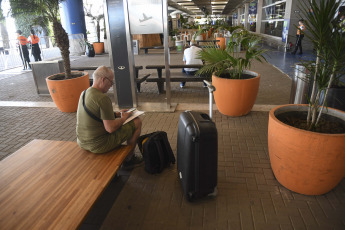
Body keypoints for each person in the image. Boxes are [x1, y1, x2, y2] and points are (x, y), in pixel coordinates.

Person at [76, 66, 143, 170]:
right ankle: (129, 159)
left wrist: (117, 114)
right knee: (137, 122)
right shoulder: (103, 98)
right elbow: (110, 128)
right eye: (111, 82)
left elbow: (96, 114)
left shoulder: (84, 93)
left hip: (82, 141)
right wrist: (124, 118)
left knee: (127, 121)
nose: (111, 86)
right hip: (99, 144)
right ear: (103, 80)